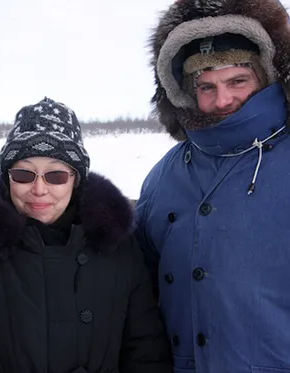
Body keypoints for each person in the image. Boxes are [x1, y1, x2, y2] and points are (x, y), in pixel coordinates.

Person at [0, 97, 172, 373]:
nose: (39, 189)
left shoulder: (117, 246)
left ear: (76, 178)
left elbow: (146, 351)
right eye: (23, 174)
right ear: (7, 177)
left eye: (55, 175)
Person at [136, 0, 290, 371]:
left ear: (268, 75)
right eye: (206, 86)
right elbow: (138, 286)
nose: (223, 100)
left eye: (238, 80)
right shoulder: (163, 177)